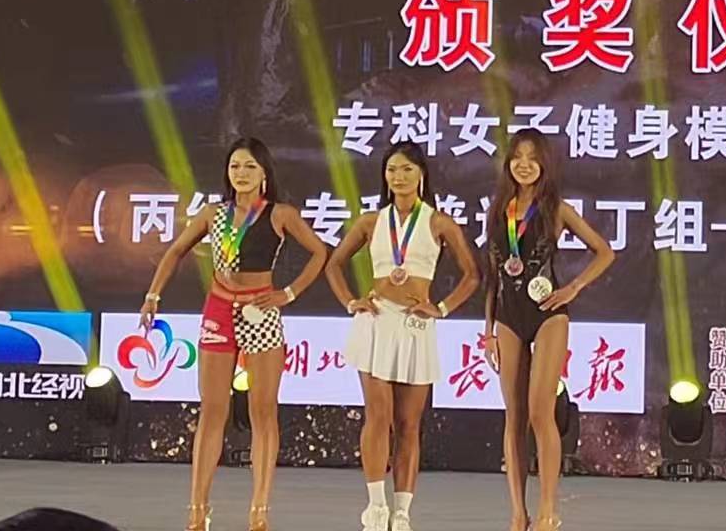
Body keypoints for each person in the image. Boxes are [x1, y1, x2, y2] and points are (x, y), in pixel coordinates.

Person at [138, 138, 329, 531]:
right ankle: (197, 508)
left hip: (261, 312)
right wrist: (153, 295)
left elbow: (320, 252)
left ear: (264, 173)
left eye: (249, 167)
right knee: (212, 410)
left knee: (263, 412)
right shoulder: (214, 214)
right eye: (235, 166)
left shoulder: (280, 214)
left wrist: (289, 293)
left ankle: (259, 509)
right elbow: (175, 251)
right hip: (219, 309)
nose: (241, 173)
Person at [326, 141, 480, 531]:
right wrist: (351, 302)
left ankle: (402, 512)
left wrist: (441, 308)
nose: (399, 176)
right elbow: (334, 264)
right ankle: (376, 505)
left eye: (407, 169)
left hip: (415, 327)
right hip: (377, 322)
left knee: (409, 424)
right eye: (392, 169)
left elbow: (472, 275)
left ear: (421, 174)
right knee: (378, 416)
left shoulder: (439, 222)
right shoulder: (371, 222)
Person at [484, 128, 615, 531]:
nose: (524, 165)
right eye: (517, 157)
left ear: (544, 164)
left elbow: (604, 252)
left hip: (548, 315)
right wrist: (488, 331)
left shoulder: (557, 209)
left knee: (541, 412)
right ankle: (517, 512)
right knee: (514, 417)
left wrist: (573, 287)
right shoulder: (498, 209)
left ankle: (547, 510)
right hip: (507, 317)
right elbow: (493, 276)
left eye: (532, 157)